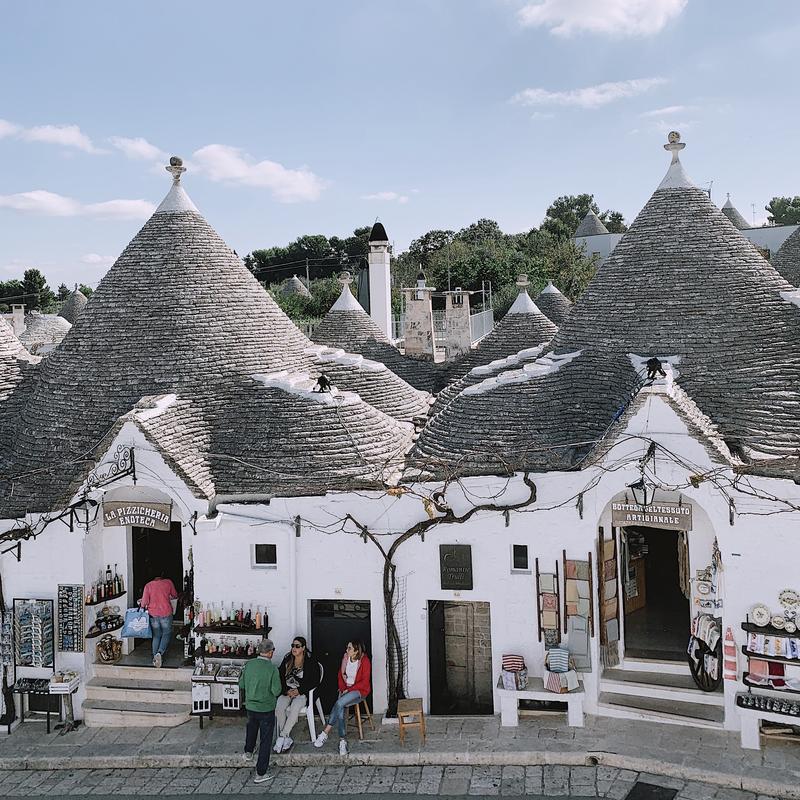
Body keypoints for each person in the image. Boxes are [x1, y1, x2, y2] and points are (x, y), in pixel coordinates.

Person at [313, 640, 371, 755]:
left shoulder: (364, 661)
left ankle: (325, 732)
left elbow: (364, 682)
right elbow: (340, 674)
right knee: (340, 707)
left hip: (359, 691)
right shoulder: (345, 658)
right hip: (345, 689)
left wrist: (348, 690)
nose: (346, 650)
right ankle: (342, 741)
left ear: (356, 651)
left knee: (339, 704)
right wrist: (342, 688)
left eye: (349, 648)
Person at [239, 638, 282, 784]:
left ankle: (248, 752)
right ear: (270, 652)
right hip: (266, 708)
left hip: (250, 706)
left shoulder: (249, 665)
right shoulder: (272, 669)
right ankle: (260, 773)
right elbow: (276, 690)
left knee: (251, 729)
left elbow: (241, 684)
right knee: (265, 741)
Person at [274, 636, 321, 753]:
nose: (294, 648)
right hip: (287, 691)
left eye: (297, 646)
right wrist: (286, 690)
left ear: (303, 648)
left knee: (295, 707)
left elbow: (314, 681)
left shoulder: (310, 661)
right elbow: (279, 677)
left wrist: (300, 690)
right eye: (293, 646)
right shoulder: (287, 659)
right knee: (279, 707)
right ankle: (286, 738)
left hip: (302, 692)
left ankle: (282, 736)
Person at [139, 571, 178, 668]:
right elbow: (175, 595)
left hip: (153, 614)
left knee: (156, 635)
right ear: (162, 575)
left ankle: (154, 657)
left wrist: (141, 605)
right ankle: (159, 653)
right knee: (166, 633)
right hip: (166, 612)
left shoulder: (148, 586)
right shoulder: (168, 582)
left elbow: (144, 602)